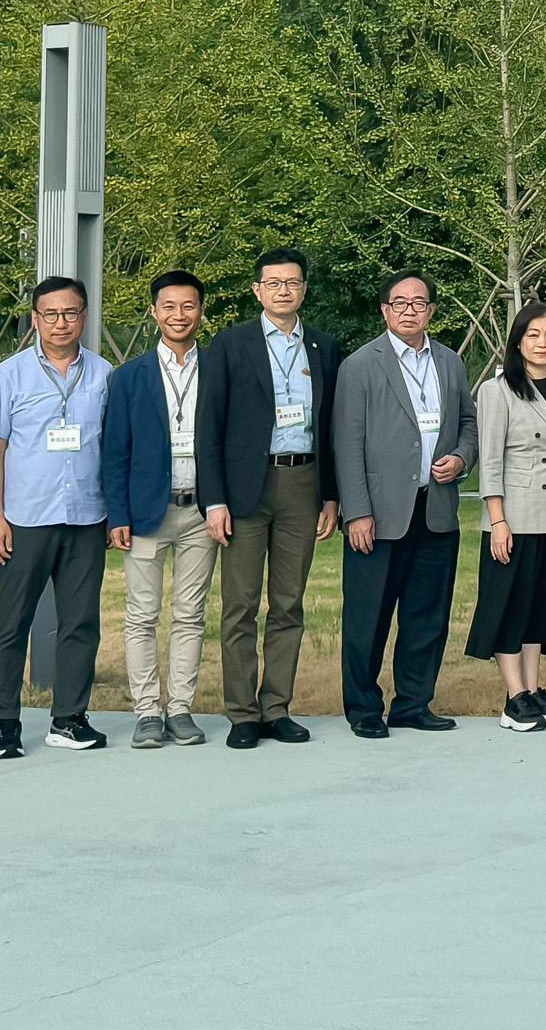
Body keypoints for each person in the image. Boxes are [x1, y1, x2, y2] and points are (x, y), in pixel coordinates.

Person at [199, 247, 342, 747]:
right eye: (273, 283)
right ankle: (242, 713)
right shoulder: (230, 345)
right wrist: (213, 500)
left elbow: (331, 428)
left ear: (304, 289)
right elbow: (207, 426)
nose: (284, 290)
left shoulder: (323, 347)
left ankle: (276, 707)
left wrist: (331, 495)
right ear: (258, 291)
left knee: (288, 603)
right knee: (239, 605)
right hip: (243, 489)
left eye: (293, 282)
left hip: (301, 483)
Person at [335, 271, 475, 737]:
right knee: (367, 617)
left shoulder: (451, 363)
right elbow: (347, 443)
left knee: (426, 615)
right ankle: (363, 709)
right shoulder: (359, 365)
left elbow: (469, 424)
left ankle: (413, 703)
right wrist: (356, 511)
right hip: (378, 513)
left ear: (432, 310)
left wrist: (460, 458)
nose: (410, 310)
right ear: (385, 311)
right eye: (400, 303)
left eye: (420, 302)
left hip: (434, 509)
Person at [0, 275, 116, 756]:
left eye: (71, 313)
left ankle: (69, 719)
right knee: (10, 622)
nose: (61, 323)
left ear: (84, 316)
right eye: (51, 314)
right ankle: (5, 724)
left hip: (86, 518)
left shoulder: (102, 374)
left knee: (81, 622)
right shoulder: (9, 375)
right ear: (35, 319)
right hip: (25, 518)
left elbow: (112, 448)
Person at [103, 270, 216, 748]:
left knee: (191, 614)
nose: (179, 315)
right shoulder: (129, 377)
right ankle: (148, 711)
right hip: (147, 512)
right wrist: (118, 515)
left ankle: (181, 708)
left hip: (201, 512)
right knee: (142, 614)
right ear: (154, 313)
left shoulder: (218, 370)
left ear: (201, 312)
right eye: (168, 306)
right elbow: (114, 451)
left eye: (188, 306)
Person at [467, 303, 546, 730]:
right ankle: (513, 697)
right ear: (517, 340)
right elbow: (491, 461)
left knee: (542, 606)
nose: (544, 343)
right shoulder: (496, 390)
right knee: (510, 605)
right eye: (534, 334)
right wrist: (497, 520)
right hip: (516, 516)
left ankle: (534, 689)